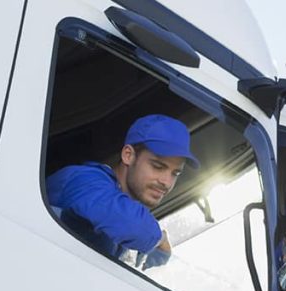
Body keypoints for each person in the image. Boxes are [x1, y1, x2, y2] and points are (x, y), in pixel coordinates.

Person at [46, 114, 199, 268]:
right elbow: (133, 226)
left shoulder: (124, 221)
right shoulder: (85, 180)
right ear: (128, 155)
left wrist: (158, 253)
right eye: (158, 166)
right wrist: (159, 240)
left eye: (175, 173)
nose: (166, 182)